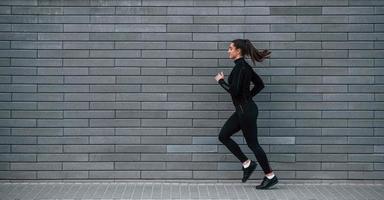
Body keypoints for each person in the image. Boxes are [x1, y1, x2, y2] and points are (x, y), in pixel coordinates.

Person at [214, 39, 278, 189]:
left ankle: (270, 176)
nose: (228, 51)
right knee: (223, 136)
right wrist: (248, 97)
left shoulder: (240, 68)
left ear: (238, 51)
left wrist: (221, 81)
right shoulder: (245, 67)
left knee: (253, 144)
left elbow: (235, 92)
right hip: (245, 110)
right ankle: (247, 163)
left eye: (230, 48)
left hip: (245, 112)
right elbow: (260, 84)